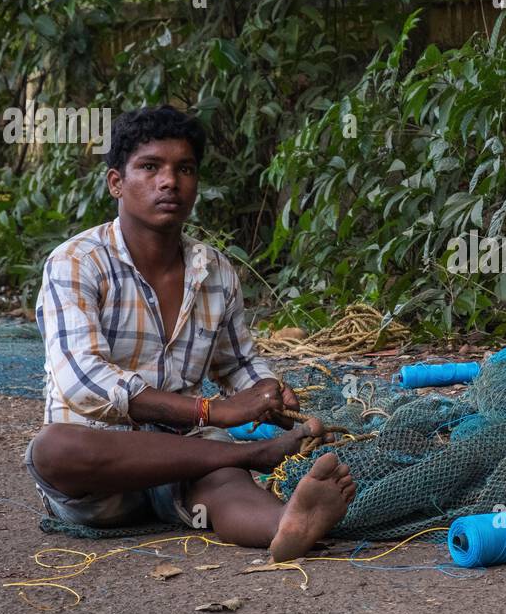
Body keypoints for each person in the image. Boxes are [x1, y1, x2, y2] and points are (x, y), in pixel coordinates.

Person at [25, 104, 354, 562]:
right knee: (53, 448)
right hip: (101, 471)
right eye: (150, 167)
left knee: (223, 487)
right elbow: (82, 383)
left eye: (185, 169)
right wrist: (211, 411)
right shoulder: (75, 262)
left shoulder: (214, 270)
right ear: (116, 182)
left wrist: (265, 390)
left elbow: (237, 363)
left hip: (187, 458)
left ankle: (288, 525)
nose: (169, 182)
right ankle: (250, 455)